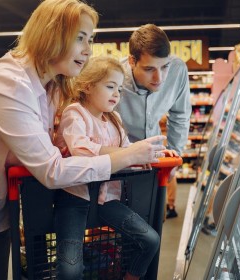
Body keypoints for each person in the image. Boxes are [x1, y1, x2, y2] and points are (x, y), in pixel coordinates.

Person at [0, 1, 165, 279]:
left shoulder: (50, 86)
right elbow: (52, 170)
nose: (87, 49)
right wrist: (127, 156)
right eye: (80, 37)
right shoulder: (8, 84)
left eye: (90, 39)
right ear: (51, 34)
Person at [54, 55, 167, 280]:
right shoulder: (74, 113)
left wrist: (155, 153)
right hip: (74, 199)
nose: (116, 94)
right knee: (70, 270)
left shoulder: (114, 119)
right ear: (87, 86)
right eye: (110, 87)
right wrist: (130, 154)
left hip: (109, 199)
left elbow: (127, 149)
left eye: (119, 89)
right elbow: (81, 150)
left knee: (150, 240)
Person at [117, 23, 192, 219]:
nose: (159, 77)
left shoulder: (177, 70)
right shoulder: (115, 78)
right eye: (149, 69)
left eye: (164, 66)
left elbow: (180, 115)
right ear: (132, 61)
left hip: (155, 162)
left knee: (153, 222)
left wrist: (175, 156)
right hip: (120, 165)